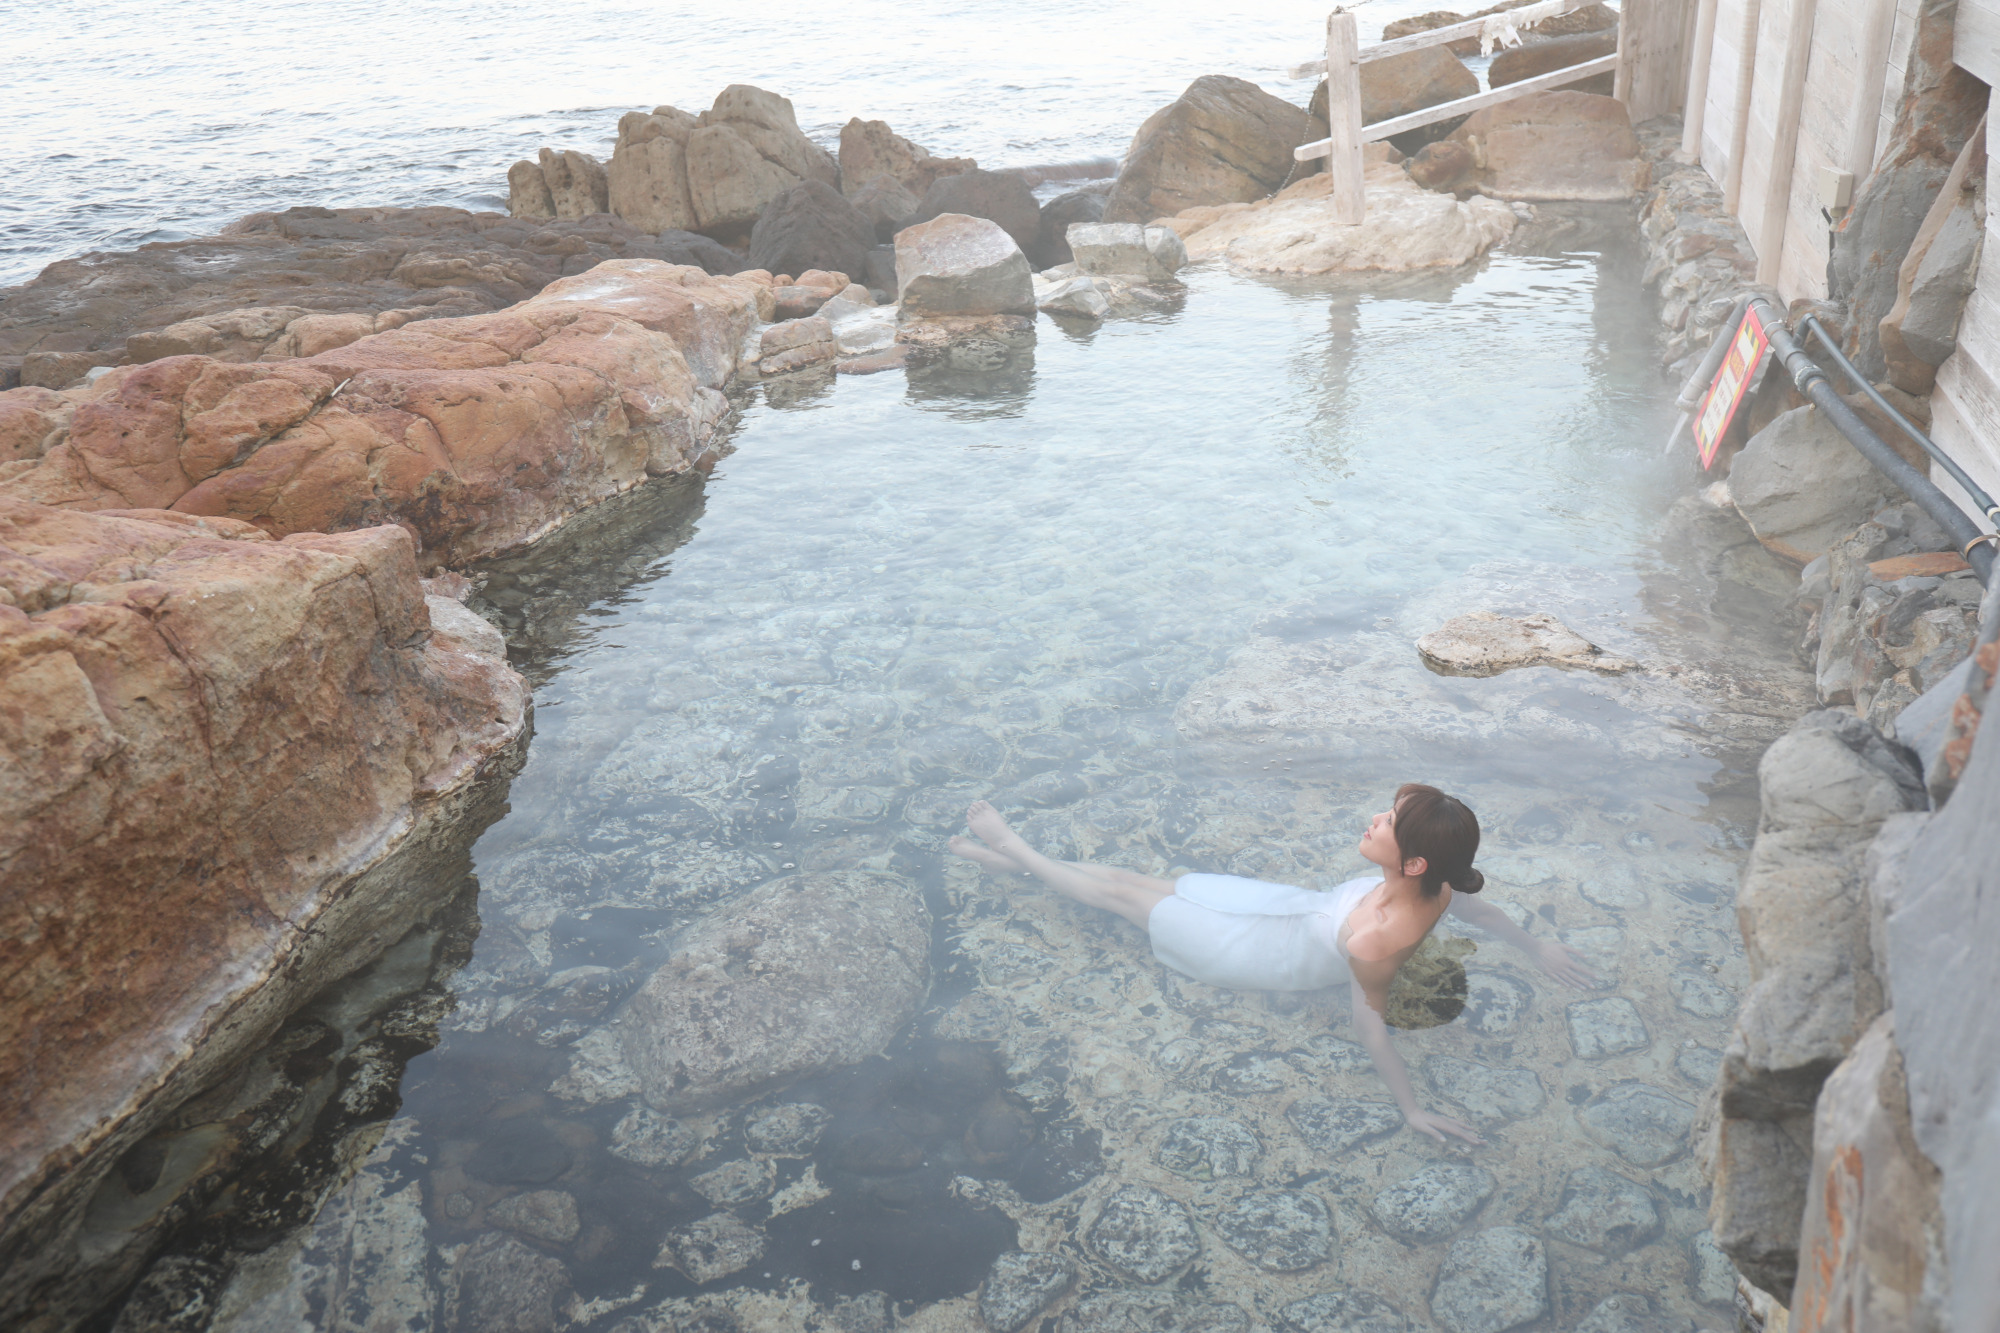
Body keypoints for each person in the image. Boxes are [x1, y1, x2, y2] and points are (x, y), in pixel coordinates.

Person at [949, 784, 1598, 1146]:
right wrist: (1534, 946)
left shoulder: (1377, 940)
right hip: (1284, 909)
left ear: (1414, 862)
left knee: (1119, 896)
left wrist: (1410, 1110)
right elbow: (1482, 912)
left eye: (1389, 821)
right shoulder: (1442, 887)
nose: (1375, 817)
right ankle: (1016, 863)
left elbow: (1371, 1027)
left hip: (1251, 949)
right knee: (1129, 878)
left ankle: (1016, 850)